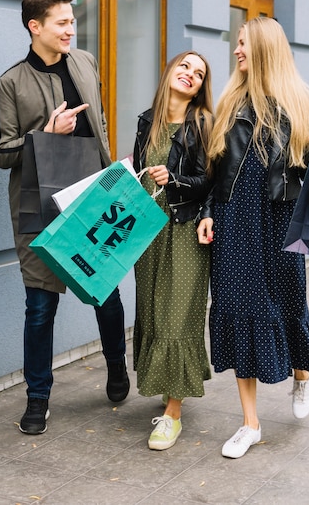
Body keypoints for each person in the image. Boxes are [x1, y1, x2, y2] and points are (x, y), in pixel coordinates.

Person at [0, 0, 129, 436]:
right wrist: (45, 134)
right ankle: (38, 398)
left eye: (72, 21)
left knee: (106, 296)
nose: (71, 29)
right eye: (62, 22)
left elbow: (100, 124)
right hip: (39, 205)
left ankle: (116, 366)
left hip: (93, 198)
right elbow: (0, 152)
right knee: (39, 306)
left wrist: (116, 181)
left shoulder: (84, 63)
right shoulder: (10, 83)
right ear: (36, 27)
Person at [197, 17, 309, 459]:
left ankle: (303, 373)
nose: (236, 51)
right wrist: (210, 213)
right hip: (236, 218)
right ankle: (250, 424)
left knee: (290, 300)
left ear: (265, 48)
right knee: (237, 306)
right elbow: (218, 170)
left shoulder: (303, 99)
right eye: (235, 43)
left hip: (282, 217)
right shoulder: (230, 100)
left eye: (243, 44)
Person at [133, 51, 214, 450]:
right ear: (170, 71)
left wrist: (176, 179)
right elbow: (140, 171)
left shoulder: (202, 124)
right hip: (147, 229)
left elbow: (210, 181)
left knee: (177, 315)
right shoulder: (147, 120)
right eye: (185, 66)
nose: (191, 75)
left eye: (198, 74)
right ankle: (168, 396)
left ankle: (173, 415)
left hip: (183, 228)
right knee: (152, 308)